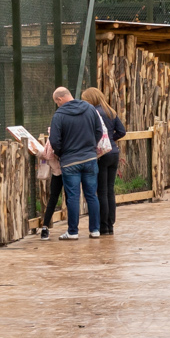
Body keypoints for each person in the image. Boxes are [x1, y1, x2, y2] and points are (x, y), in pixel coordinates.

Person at [46, 84, 108, 239]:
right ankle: (95, 230)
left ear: (60, 99)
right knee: (91, 195)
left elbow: (54, 140)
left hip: (69, 161)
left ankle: (73, 232)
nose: (57, 104)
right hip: (89, 158)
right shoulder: (89, 108)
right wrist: (90, 146)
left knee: (73, 196)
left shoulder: (59, 115)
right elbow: (99, 130)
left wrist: (62, 153)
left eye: (57, 102)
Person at [83, 84, 127, 238]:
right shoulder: (111, 112)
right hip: (113, 153)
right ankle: (110, 224)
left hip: (101, 155)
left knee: (101, 190)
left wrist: (102, 143)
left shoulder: (94, 113)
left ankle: (103, 225)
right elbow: (122, 131)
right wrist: (110, 141)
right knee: (109, 189)